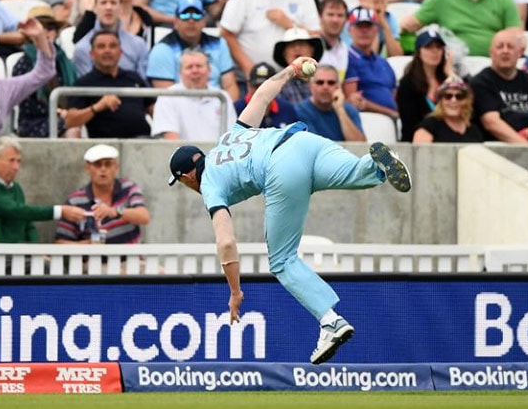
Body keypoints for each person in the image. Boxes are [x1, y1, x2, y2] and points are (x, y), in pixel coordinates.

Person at [167, 54, 412, 364]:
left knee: (282, 260)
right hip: (302, 141)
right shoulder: (231, 137)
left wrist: (235, 291)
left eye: (182, 181)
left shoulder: (209, 184)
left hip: (280, 168)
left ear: (187, 176)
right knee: (357, 174)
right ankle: (376, 163)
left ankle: (330, 321)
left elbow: (226, 242)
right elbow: (263, 93)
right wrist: (291, 70)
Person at [0, 137, 88, 243]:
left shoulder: (16, 188)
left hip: (19, 255)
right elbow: (13, 210)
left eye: (18, 161)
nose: (16, 167)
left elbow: (27, 222)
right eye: (11, 160)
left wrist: (36, 251)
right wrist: (59, 211)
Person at [470, 29, 528, 143]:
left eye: (510, 47)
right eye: (500, 47)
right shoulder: (480, 82)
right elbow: (491, 123)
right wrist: (525, 146)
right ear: (491, 52)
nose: (505, 51)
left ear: (520, 53)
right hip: (497, 148)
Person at [55, 143, 151, 245]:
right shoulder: (75, 201)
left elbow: (144, 217)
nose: (103, 169)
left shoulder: (129, 188)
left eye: (108, 164)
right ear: (88, 168)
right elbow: (59, 243)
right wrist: (87, 245)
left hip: (131, 260)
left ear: (116, 167)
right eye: (97, 164)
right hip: (92, 260)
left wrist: (114, 212)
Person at [64, 30, 153, 138]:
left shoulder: (133, 77)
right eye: (101, 46)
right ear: (92, 54)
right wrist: (97, 107)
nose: (107, 51)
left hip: (144, 142)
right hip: (104, 147)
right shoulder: (83, 83)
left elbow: (153, 109)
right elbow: (70, 121)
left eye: (112, 46)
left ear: (120, 52)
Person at [147, 0, 238, 98]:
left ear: (204, 21)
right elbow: (166, 95)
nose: (191, 20)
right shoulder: (162, 49)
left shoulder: (220, 44)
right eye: (185, 15)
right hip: (178, 108)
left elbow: (230, 86)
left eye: (196, 15)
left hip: (216, 107)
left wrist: (227, 110)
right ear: (175, 21)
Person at [11, 5, 79, 138]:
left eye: (50, 28)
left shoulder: (65, 61)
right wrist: (57, 112)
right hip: (34, 121)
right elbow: (26, 104)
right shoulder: (23, 64)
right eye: (40, 28)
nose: (45, 32)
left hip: (64, 116)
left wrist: (70, 112)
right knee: (72, 128)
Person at [151, 49, 237, 140]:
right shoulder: (167, 97)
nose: (195, 71)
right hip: (183, 153)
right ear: (180, 73)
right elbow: (171, 140)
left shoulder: (222, 97)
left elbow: (232, 137)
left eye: (199, 66)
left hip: (218, 153)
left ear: (209, 70)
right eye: (189, 67)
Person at [343, 6, 398, 120]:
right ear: (350, 30)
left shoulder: (384, 63)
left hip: (393, 120)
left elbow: (394, 95)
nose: (364, 31)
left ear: (376, 30)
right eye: (359, 26)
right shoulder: (347, 59)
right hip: (367, 120)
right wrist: (390, 113)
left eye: (368, 26)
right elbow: (354, 101)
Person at [396, 28, 451, 142]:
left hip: (448, 139)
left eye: (438, 47)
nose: (434, 51)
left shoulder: (448, 80)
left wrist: (451, 74)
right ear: (418, 51)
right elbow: (409, 123)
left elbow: (465, 106)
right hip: (417, 142)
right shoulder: (408, 84)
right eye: (428, 47)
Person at [294, 65, 365, 141]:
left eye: (331, 83)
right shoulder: (300, 110)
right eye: (320, 82)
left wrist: (340, 110)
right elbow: (313, 145)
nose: (325, 87)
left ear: (338, 86)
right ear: (310, 86)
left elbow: (360, 145)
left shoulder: (349, 110)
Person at [412, 74, 483, 143]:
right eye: (448, 96)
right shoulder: (428, 126)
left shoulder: (474, 130)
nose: (453, 100)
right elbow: (418, 153)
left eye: (459, 96)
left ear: (466, 101)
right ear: (440, 101)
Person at [234, 61, 298, 128]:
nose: (261, 91)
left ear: (276, 87)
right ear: (248, 85)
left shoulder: (287, 109)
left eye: (265, 87)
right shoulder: (236, 109)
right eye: (256, 86)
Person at [272, 27, 324, 105]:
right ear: (284, 53)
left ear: (312, 50)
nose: (297, 48)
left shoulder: (326, 79)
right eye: (291, 45)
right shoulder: (277, 84)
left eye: (302, 44)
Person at [317, 0, 349, 80]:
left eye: (340, 15)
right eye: (330, 14)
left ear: (346, 19)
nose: (335, 20)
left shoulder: (345, 49)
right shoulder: (310, 47)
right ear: (320, 17)